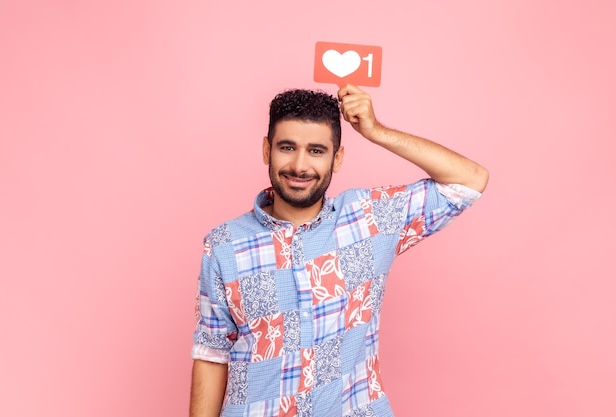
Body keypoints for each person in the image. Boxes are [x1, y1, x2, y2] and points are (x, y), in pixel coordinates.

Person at [189, 84, 489, 417]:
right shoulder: (223, 245)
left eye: (317, 150)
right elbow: (212, 353)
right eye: (287, 147)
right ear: (266, 150)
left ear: (338, 157)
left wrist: (377, 132)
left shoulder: (370, 219)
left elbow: (470, 180)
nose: (299, 165)